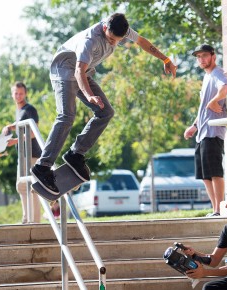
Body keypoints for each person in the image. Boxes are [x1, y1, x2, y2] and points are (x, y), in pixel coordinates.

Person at [30, 13, 177, 195]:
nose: (114, 43)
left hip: (85, 73)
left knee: (106, 112)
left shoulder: (121, 29)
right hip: (65, 70)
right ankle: (42, 166)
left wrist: (166, 59)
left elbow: (141, 41)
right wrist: (89, 96)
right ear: (105, 28)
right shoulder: (90, 40)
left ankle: (76, 153)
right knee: (67, 116)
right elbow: (78, 71)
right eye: (111, 39)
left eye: (118, 40)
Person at [184, 44, 227, 217]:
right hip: (202, 132)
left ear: (213, 56)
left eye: (205, 56)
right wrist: (194, 126)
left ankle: (219, 209)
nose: (202, 59)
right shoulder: (207, 76)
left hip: (213, 131)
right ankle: (215, 209)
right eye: (199, 57)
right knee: (205, 175)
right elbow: (204, 107)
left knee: (214, 172)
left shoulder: (218, 73)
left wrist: (215, 101)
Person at [2, 81, 42, 224]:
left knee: (30, 187)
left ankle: (33, 220)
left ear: (25, 94)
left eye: (21, 93)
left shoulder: (29, 109)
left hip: (32, 154)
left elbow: (33, 132)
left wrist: (15, 140)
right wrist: (10, 126)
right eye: (15, 93)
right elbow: (19, 124)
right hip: (23, 154)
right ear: (12, 94)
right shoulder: (19, 111)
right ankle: (27, 218)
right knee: (22, 186)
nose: (18, 96)